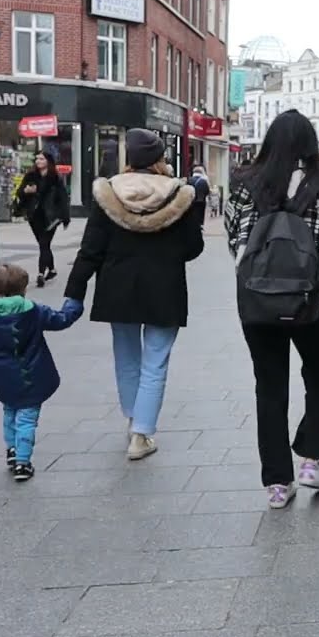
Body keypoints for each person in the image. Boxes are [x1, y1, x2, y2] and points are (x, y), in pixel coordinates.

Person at [225, 110, 319, 510]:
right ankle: (311, 460)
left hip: (257, 302)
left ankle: (277, 483)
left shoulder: (244, 184)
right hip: (308, 301)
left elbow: (235, 240)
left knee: (269, 386)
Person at [65, 129, 205, 461]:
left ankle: (132, 419)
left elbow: (91, 249)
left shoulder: (109, 192)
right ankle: (142, 434)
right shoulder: (179, 195)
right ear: (160, 159)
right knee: (155, 361)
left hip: (118, 287)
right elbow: (192, 249)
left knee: (126, 358)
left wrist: (75, 292)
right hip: (164, 289)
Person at [0, 264, 83, 481]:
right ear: (24, 290)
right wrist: (73, 303)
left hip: (3, 380)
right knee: (26, 418)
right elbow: (61, 320)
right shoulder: (34, 311)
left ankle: (12, 451)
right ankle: (22, 463)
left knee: (9, 412)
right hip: (33, 378)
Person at [16, 152, 70, 288]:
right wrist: (26, 191)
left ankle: (41, 274)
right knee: (43, 245)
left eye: (41, 158)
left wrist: (65, 216)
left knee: (44, 244)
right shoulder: (31, 176)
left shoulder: (54, 178)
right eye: (37, 158)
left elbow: (63, 197)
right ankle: (51, 270)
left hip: (51, 217)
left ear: (48, 161)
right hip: (35, 216)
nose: (38, 161)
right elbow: (20, 192)